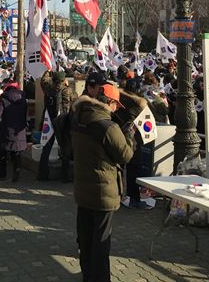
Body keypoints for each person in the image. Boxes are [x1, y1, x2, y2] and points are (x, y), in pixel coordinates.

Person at [71, 83, 135, 282]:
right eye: (116, 105)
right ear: (110, 102)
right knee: (101, 242)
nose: (116, 109)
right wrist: (129, 136)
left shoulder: (78, 117)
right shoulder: (107, 126)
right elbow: (125, 155)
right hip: (102, 192)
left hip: (83, 187)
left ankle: (88, 275)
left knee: (86, 238)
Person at [37, 71, 75, 181]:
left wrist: (47, 71)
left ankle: (42, 174)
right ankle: (65, 176)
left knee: (46, 147)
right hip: (63, 121)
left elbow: (43, 80)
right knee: (65, 148)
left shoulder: (48, 88)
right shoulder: (67, 90)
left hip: (49, 119)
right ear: (63, 80)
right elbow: (76, 100)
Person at [0, 79, 28, 182]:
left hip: (6, 128)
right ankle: (16, 173)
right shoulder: (23, 97)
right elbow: (24, 113)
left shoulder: (4, 96)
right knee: (17, 153)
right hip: (19, 129)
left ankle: (2, 174)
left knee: (2, 152)